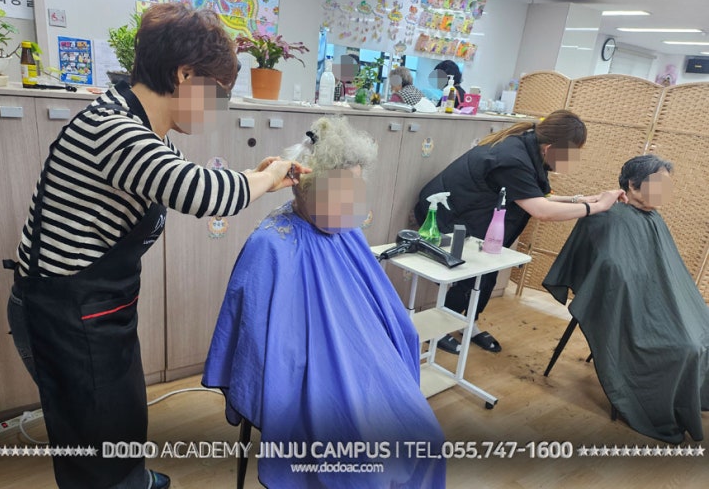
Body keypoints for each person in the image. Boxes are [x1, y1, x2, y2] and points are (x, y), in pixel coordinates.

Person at [4, 3, 309, 489]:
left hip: (101, 307)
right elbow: (204, 194)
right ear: (185, 75)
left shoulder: (145, 130)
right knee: (93, 443)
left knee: (120, 418)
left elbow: (189, 177)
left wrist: (256, 175)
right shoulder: (112, 129)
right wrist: (270, 177)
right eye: (219, 92)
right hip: (62, 313)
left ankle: (131, 477)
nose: (219, 108)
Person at [202, 116, 446, 488]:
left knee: (425, 440)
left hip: (367, 357)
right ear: (302, 189)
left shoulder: (346, 232)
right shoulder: (271, 244)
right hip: (310, 370)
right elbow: (258, 342)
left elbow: (381, 307)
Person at [414, 110, 627, 354]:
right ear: (550, 148)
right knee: (471, 273)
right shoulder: (512, 158)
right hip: (447, 213)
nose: (572, 159)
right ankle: (440, 328)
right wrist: (597, 207)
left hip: (476, 214)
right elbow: (541, 210)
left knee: (487, 273)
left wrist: (583, 199)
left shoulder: (530, 149)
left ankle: (468, 322)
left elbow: (537, 196)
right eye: (570, 153)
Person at [543, 155, 709, 444]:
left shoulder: (654, 219)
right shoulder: (604, 216)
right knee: (687, 347)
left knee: (703, 333)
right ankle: (656, 407)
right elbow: (607, 268)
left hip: (658, 305)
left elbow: (670, 274)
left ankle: (686, 399)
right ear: (632, 184)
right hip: (626, 307)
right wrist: (629, 283)